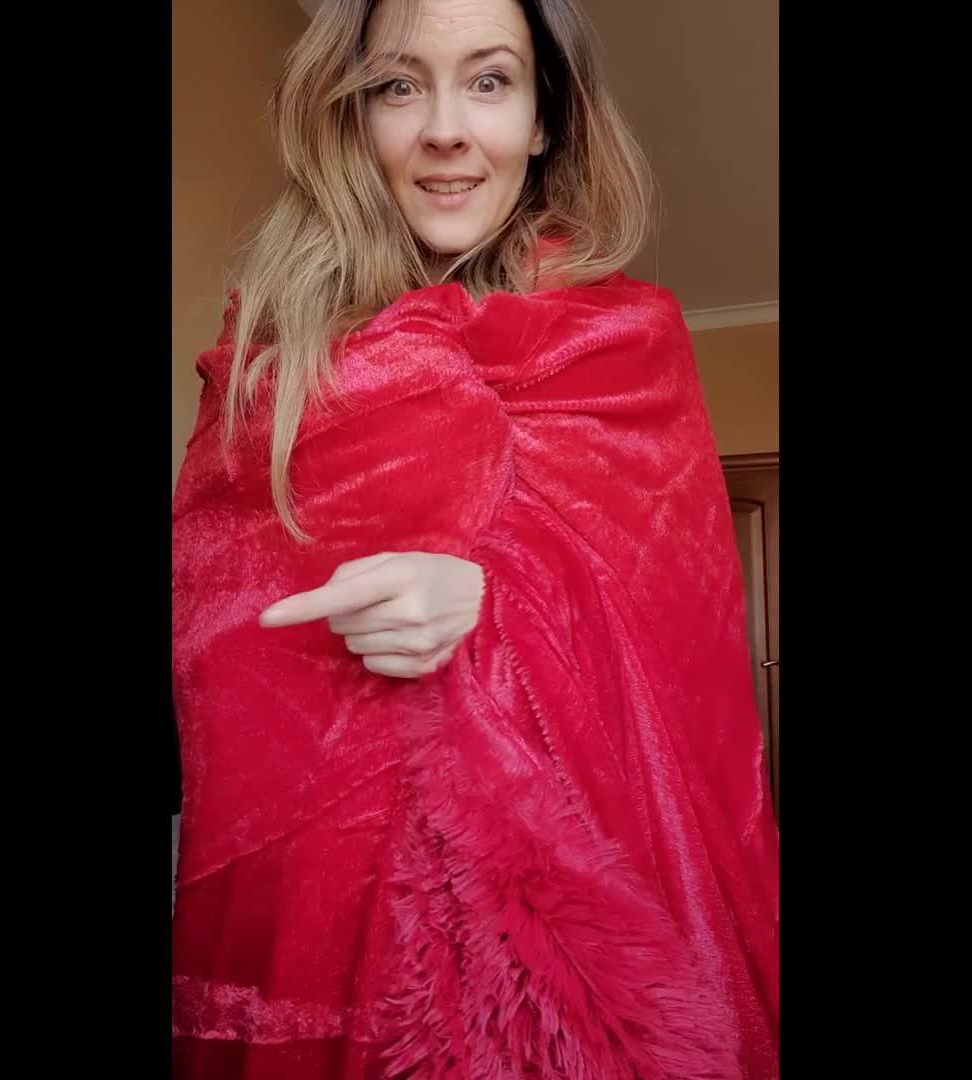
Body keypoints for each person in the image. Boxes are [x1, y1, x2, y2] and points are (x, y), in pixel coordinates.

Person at [172, 0, 778, 1075]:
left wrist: (492, 592)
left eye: (490, 81)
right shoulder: (268, 356)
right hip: (328, 923)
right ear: (351, 116)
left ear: (545, 118)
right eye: (398, 86)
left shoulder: (631, 345)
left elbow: (685, 641)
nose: (446, 129)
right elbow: (211, 618)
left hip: (579, 926)